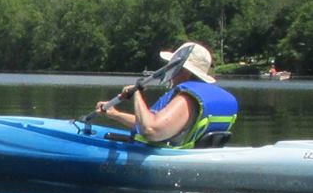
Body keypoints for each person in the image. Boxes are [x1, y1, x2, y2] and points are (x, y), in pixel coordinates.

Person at [92, 41, 239, 148]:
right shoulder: (202, 95)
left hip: (165, 159)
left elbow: (151, 130)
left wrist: (137, 94)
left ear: (185, 72)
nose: (171, 74)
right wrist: (115, 114)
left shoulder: (186, 98)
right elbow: (161, 125)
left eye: (174, 68)